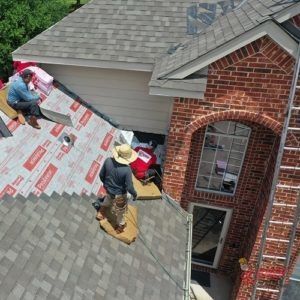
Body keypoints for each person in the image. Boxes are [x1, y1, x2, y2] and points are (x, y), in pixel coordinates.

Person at [97, 144, 138, 233]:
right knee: (120, 212)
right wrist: (135, 194)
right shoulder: (127, 170)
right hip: (119, 195)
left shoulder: (108, 161)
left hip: (108, 189)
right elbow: (130, 187)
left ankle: (101, 212)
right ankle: (120, 226)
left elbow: (101, 175)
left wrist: (106, 185)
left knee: (108, 198)